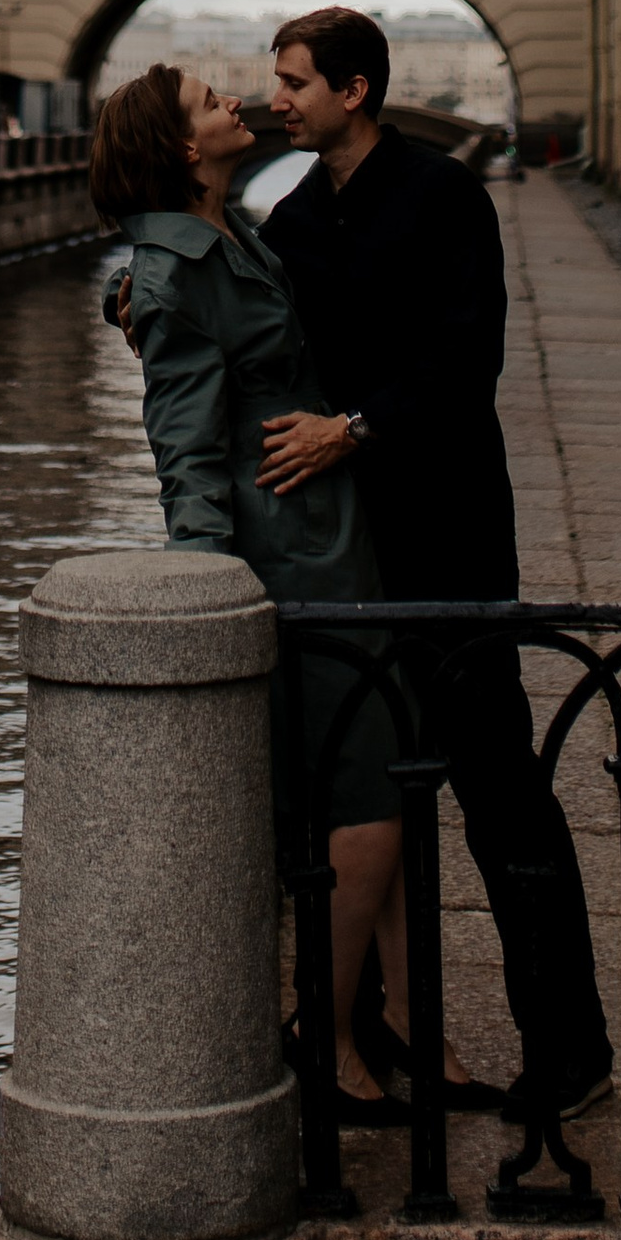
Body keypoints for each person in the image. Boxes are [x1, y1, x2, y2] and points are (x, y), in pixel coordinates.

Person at [255, 5, 613, 1126]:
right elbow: (261, 337)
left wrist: (353, 427)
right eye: (277, 82)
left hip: (451, 535)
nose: (279, 100)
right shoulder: (295, 218)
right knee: (374, 794)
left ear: (353, 91)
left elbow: (469, 360)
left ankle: (569, 1048)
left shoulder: (443, 195)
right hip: (353, 556)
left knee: (497, 791)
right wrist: (148, 302)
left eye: (296, 83)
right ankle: (370, 1034)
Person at [89, 58, 405, 1117]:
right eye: (210, 104)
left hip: (324, 532)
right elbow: (184, 451)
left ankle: (373, 1024)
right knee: (360, 792)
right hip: (283, 552)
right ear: (184, 150)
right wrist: (210, 592)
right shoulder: (178, 273)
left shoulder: (230, 233)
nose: (237, 105)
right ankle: (318, 1034)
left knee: (371, 775)